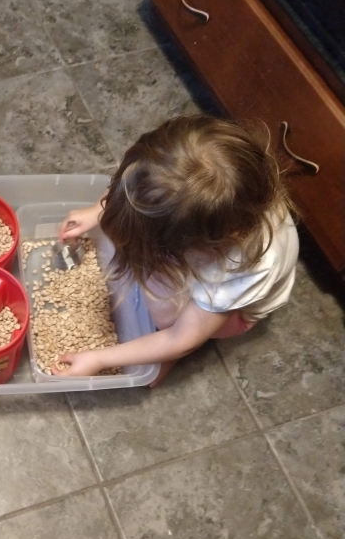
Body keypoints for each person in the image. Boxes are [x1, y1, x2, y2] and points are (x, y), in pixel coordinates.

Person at [53, 115, 298, 386]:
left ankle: (162, 351)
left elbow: (180, 340)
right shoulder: (233, 189)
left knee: (163, 304)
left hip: (236, 314)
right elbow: (138, 186)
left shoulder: (238, 272)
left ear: (202, 246)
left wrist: (100, 358)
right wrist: (100, 210)